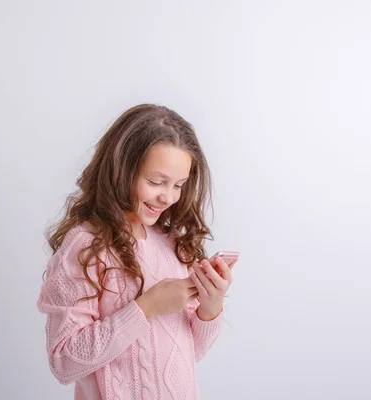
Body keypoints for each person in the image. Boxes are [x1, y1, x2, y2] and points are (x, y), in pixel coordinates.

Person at [37, 104, 236, 400]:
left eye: (179, 185)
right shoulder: (86, 246)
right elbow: (64, 362)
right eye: (156, 182)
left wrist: (211, 306)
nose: (167, 196)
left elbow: (187, 355)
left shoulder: (171, 244)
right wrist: (148, 307)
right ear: (121, 170)